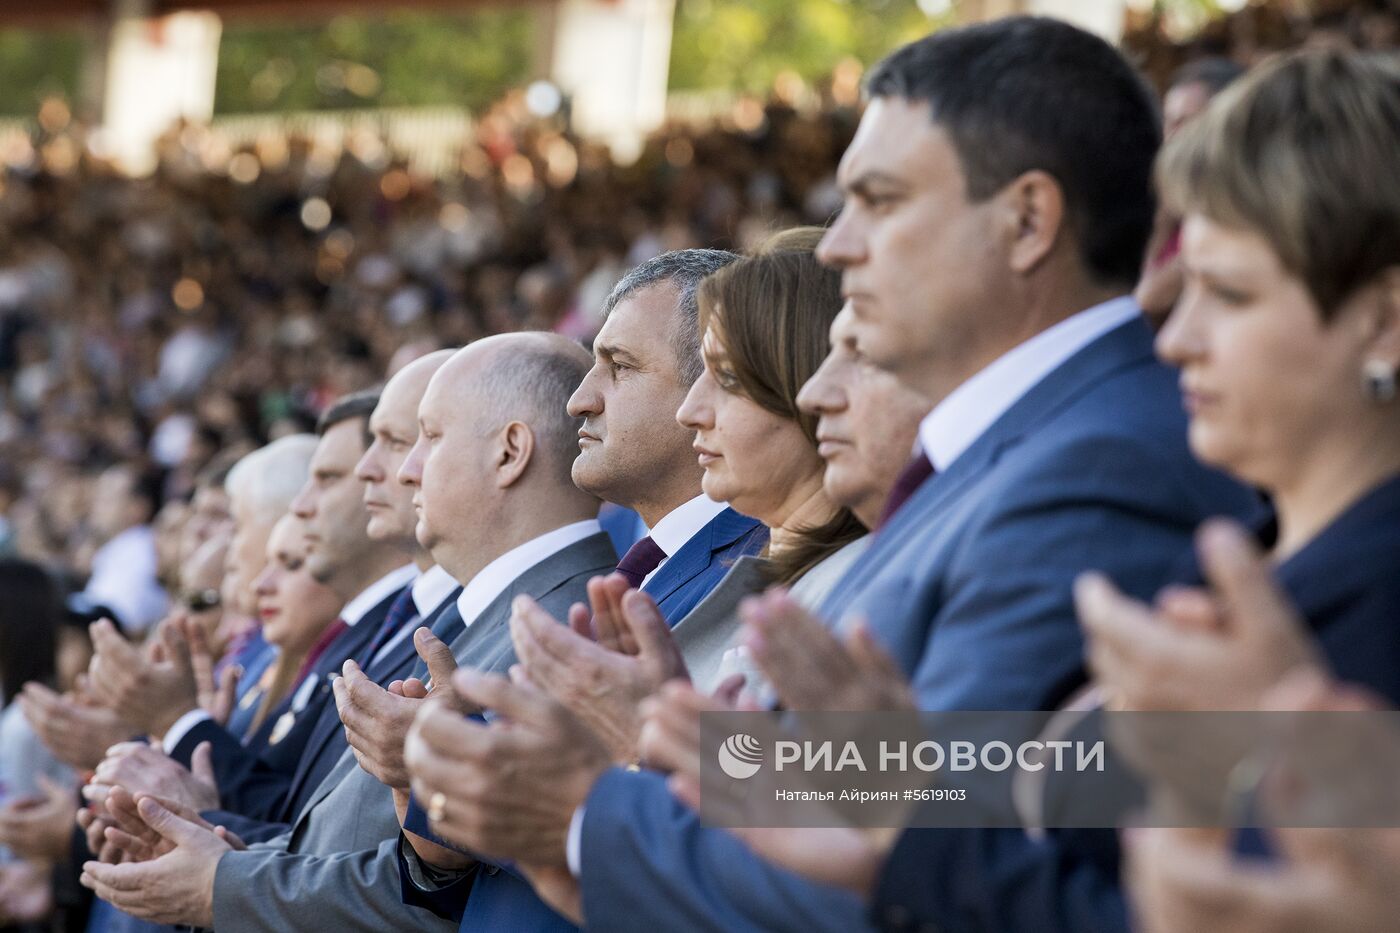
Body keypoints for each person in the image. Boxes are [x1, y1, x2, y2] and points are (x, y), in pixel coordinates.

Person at [396, 17, 1257, 933]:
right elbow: (906, 789)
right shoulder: (1026, 451)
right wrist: (685, 737)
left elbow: (930, 852)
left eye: (880, 201)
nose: (841, 246)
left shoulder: (1098, 467)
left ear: (1028, 220)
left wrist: (591, 813)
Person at [79, 334, 616, 933]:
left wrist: (224, 882)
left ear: (511, 452)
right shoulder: (504, 613)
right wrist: (222, 850)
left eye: (428, 439)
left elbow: (731, 822)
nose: (404, 472)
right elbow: (364, 846)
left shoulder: (570, 621)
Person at [509, 227, 869, 763]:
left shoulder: (868, 583)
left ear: (801, 386)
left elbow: (915, 807)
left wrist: (658, 747)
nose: (692, 411)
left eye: (726, 376)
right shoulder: (792, 570)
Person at [1135, 56, 1245, 324]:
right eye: (1169, 121)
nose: (1170, 137)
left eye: (1185, 123)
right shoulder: (1169, 205)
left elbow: (1146, 300)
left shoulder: (1236, 217)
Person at [81, 463, 170, 635]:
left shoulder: (142, 550)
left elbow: (123, 620)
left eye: (107, 498)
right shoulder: (118, 549)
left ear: (138, 507)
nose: (95, 506)